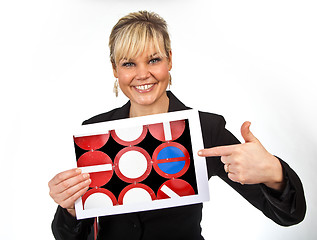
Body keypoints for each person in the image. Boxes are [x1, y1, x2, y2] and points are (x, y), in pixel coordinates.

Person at [48, 10, 306, 240]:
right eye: (128, 63)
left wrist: (275, 173)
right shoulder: (95, 132)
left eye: (153, 60)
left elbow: (288, 216)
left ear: (169, 60)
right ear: (115, 69)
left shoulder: (204, 128)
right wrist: (70, 208)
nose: (142, 74)